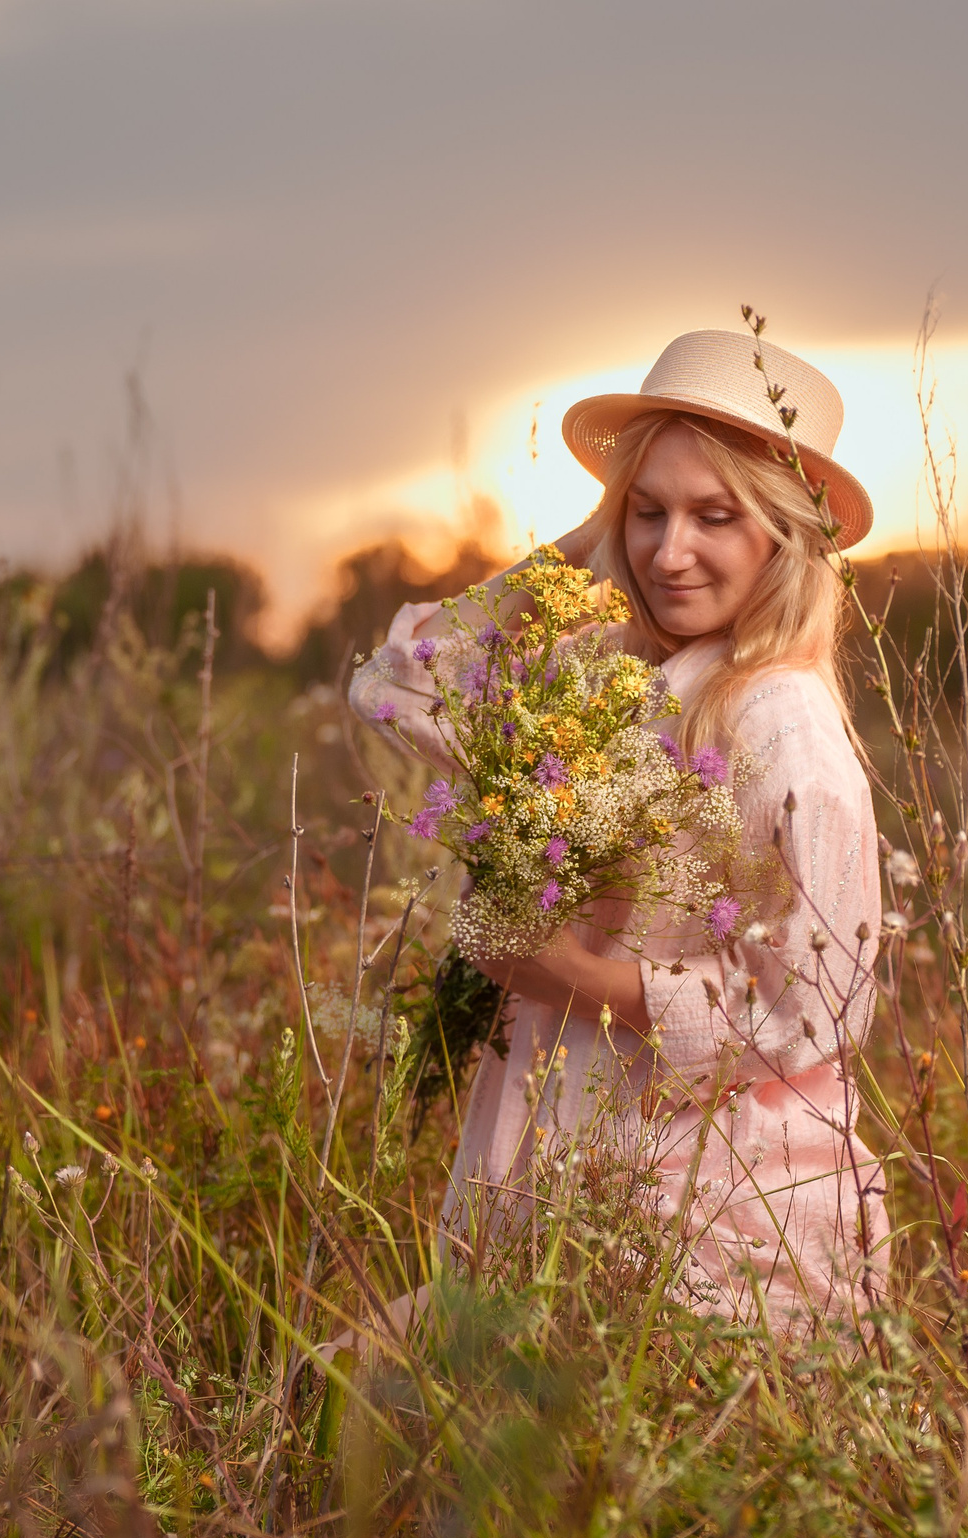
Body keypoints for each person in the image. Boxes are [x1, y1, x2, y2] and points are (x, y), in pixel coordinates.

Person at [347, 328, 890, 1334]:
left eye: (714, 516)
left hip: (710, 1213)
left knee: (355, 1391)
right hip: (579, 1171)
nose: (668, 552)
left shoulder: (783, 725)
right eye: (648, 511)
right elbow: (399, 685)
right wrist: (577, 551)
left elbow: (820, 1006)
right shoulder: (610, 678)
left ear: (783, 535)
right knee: (345, 1396)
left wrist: (570, 974)